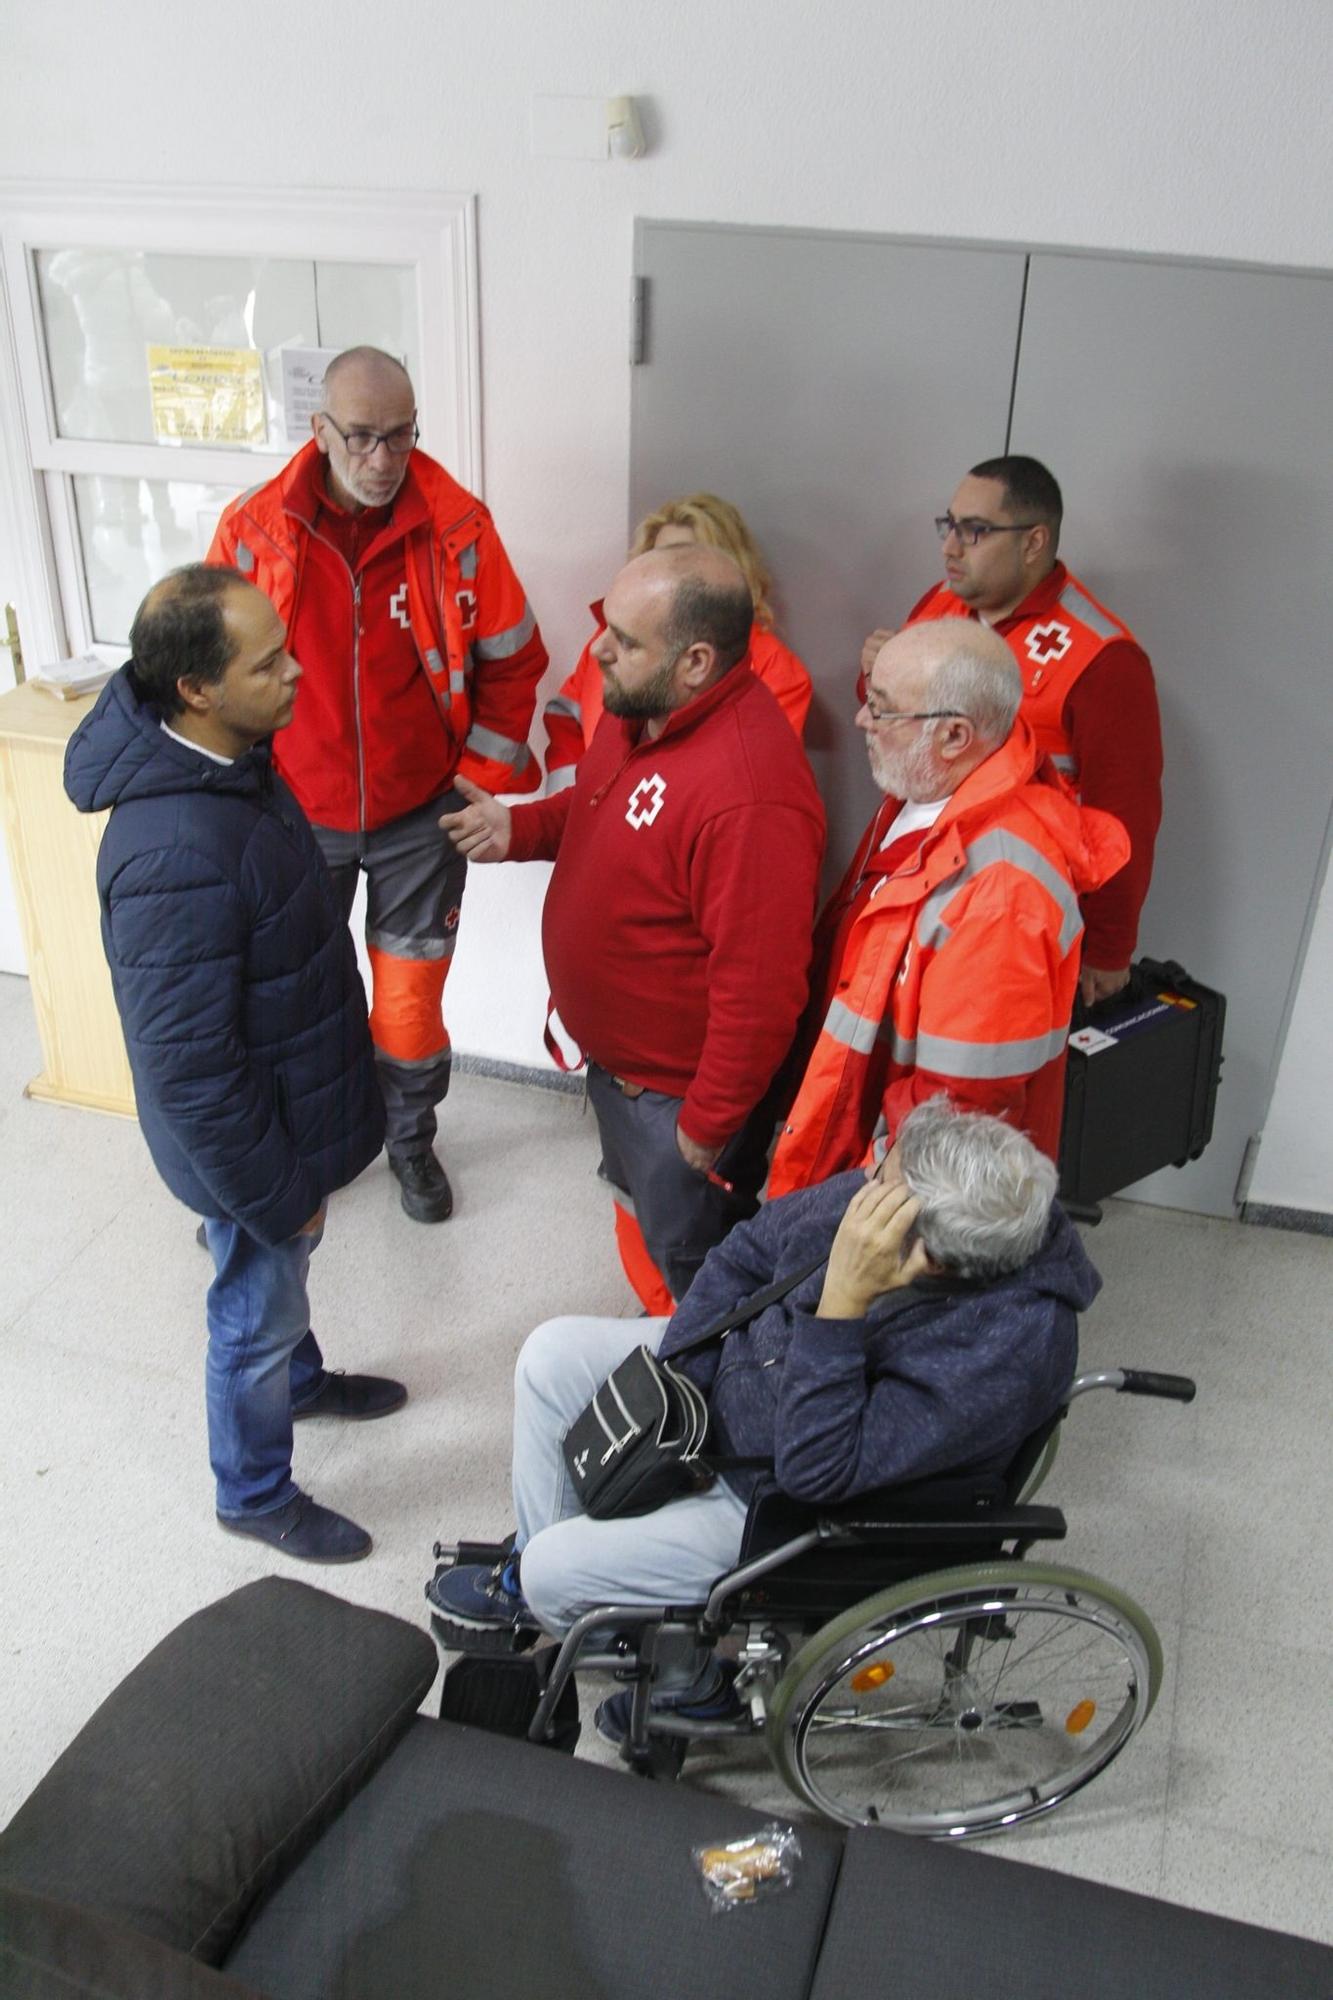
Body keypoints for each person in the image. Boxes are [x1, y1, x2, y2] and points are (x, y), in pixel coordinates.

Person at [427, 1098, 1096, 1742]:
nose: (862, 1183)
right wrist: (684, 1382)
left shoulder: (1004, 1349)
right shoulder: (894, 1185)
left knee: (553, 1570)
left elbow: (815, 1470)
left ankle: (681, 1677)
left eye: (879, 1188)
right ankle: (594, 1596)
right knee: (551, 1355)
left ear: (934, 1260)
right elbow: (744, 1251)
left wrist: (841, 1303)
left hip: (780, 1499)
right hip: (735, 1375)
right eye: (880, 1165)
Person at [64, 566, 404, 1564]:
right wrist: (277, 1190)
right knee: (252, 1304)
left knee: (275, 1276)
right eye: (270, 662)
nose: (298, 673)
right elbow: (192, 1070)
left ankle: (300, 1382)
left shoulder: (230, 761)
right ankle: (252, 1490)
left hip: (284, 1106)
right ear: (196, 690)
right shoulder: (171, 849)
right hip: (250, 1141)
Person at [208, 346, 548, 1223]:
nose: (382, 458)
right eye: (360, 436)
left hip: (419, 823)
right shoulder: (252, 531)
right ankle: (300, 1154)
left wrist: (474, 783)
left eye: (400, 435)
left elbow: (513, 664)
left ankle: (409, 1145)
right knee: (297, 1004)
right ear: (319, 431)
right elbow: (210, 670)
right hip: (292, 819)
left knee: (406, 1003)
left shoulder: (460, 528)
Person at [442, 542, 825, 1312]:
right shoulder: (638, 710)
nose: (599, 650)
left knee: (700, 1272)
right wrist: (516, 830)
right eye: (604, 625)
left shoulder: (750, 795)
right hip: (620, 1075)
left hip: (676, 1103)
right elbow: (594, 805)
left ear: (694, 662)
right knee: (649, 1229)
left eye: (623, 638)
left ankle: (703, 1397)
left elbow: (759, 994)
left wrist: (706, 1128)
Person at [769, 621, 1129, 1196]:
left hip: (897, 1190)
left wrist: (854, 1208)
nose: (863, 719)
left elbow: (956, 1108)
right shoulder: (927, 793)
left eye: (882, 710)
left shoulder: (1001, 896)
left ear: (955, 736)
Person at [861, 456, 1162, 1007]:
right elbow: (902, 727)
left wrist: (1109, 951)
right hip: (915, 883)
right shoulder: (939, 608)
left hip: (1009, 916)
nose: (950, 547)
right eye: (948, 526)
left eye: (974, 531)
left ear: (1033, 542)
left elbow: (1126, 821)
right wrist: (875, 677)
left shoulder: (1103, 660)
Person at [542, 491, 812, 792]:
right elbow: (567, 717)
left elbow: (752, 781)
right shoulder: (608, 641)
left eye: (685, 561)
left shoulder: (775, 668)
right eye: (659, 559)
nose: (667, 572)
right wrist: (571, 800)